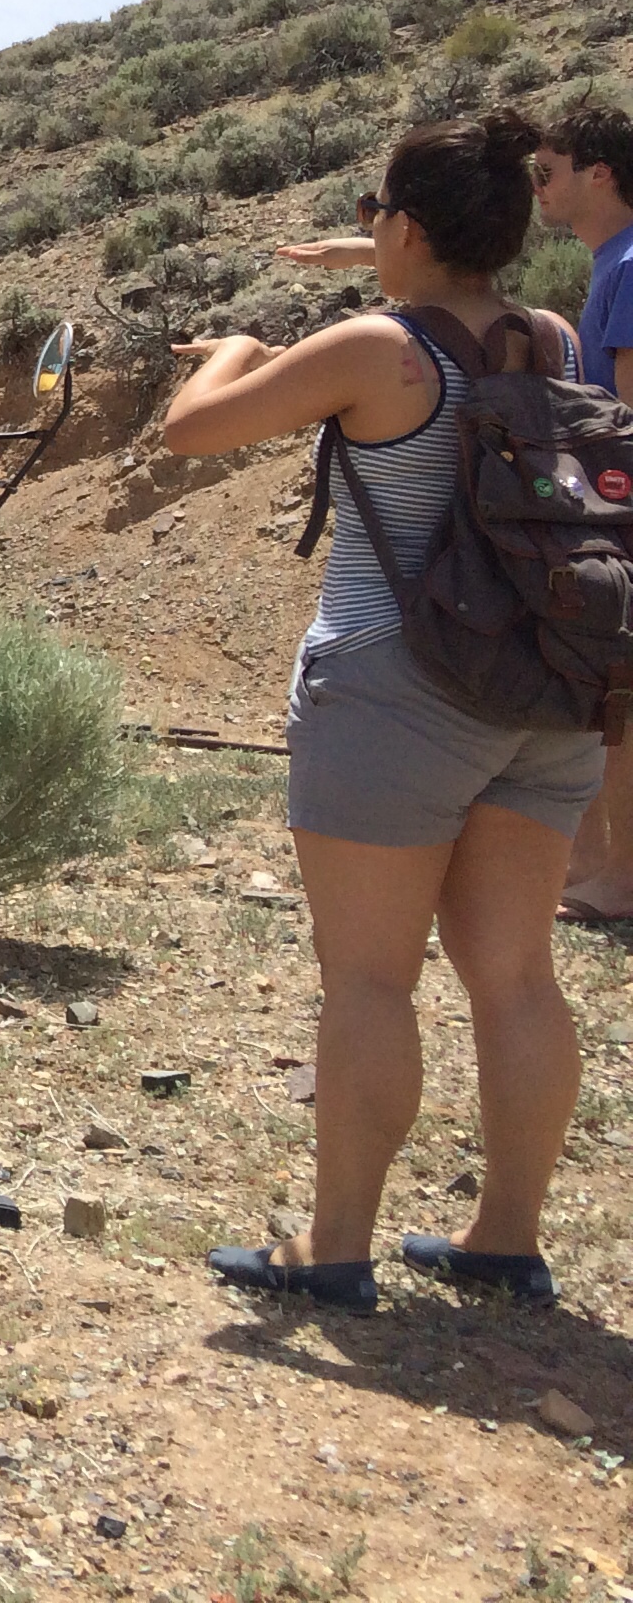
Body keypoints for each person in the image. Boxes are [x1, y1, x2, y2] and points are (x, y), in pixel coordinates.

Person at [177, 111, 594, 1311]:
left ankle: (337, 1250)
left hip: (397, 691)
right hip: (543, 690)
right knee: (515, 977)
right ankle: (506, 1239)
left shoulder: (376, 350)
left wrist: (239, 346)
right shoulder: (549, 335)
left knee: (369, 979)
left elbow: (193, 431)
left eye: (380, 218)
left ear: (403, 225)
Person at [534, 102, 633, 922]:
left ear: (597, 172)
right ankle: (603, 864)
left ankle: (621, 879)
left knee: (622, 700)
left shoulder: (629, 266)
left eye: (548, 172)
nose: (539, 189)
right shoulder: (615, 263)